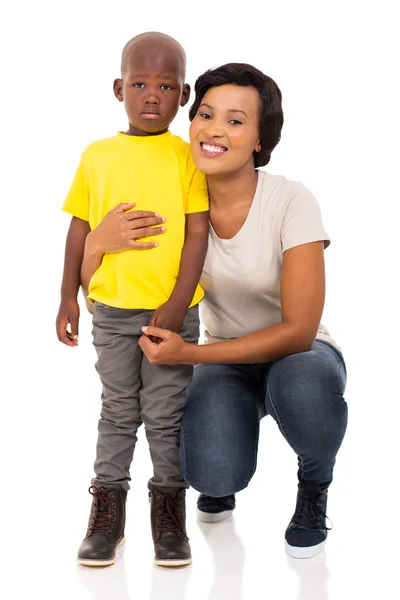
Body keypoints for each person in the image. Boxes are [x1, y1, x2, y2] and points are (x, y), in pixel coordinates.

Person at [83, 63, 348, 560]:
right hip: (223, 361)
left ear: (259, 141)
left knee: (305, 389)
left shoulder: (291, 200)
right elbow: (104, 294)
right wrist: (96, 245)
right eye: (205, 114)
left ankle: (315, 483)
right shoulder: (177, 204)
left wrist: (189, 356)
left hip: (301, 354)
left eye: (235, 120)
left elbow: (299, 330)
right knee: (210, 472)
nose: (214, 130)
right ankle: (226, 453)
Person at [56, 32, 209, 568]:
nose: (151, 95)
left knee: (167, 416)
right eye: (140, 83)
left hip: (174, 315)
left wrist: (176, 303)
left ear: (183, 94)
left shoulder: (186, 156)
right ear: (118, 87)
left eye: (165, 86)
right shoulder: (97, 155)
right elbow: (80, 229)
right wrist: (67, 296)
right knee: (119, 412)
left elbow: (197, 234)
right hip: (113, 313)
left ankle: (168, 513)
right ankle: (107, 511)